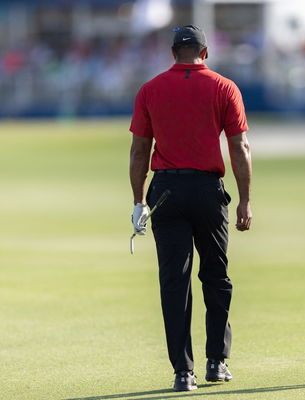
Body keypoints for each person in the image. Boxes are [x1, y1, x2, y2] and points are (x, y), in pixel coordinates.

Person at [128, 25, 252, 392]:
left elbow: (139, 152)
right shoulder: (224, 87)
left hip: (165, 189)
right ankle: (216, 361)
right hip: (207, 191)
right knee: (216, 276)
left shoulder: (150, 89)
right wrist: (245, 199)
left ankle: (183, 372)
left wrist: (138, 201)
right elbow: (240, 148)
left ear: (172, 53)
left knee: (174, 282)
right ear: (205, 52)